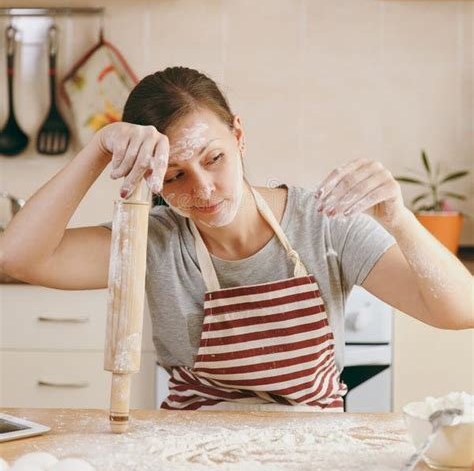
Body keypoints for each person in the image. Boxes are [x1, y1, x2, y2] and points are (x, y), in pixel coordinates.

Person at [1, 67, 472, 411]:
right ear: (151, 178)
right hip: (190, 456)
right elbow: (18, 259)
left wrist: (399, 218)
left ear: (239, 134)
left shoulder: (324, 221)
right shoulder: (153, 241)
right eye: (175, 176)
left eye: (214, 159)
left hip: (313, 455)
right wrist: (98, 149)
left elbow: (460, 312)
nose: (202, 190)